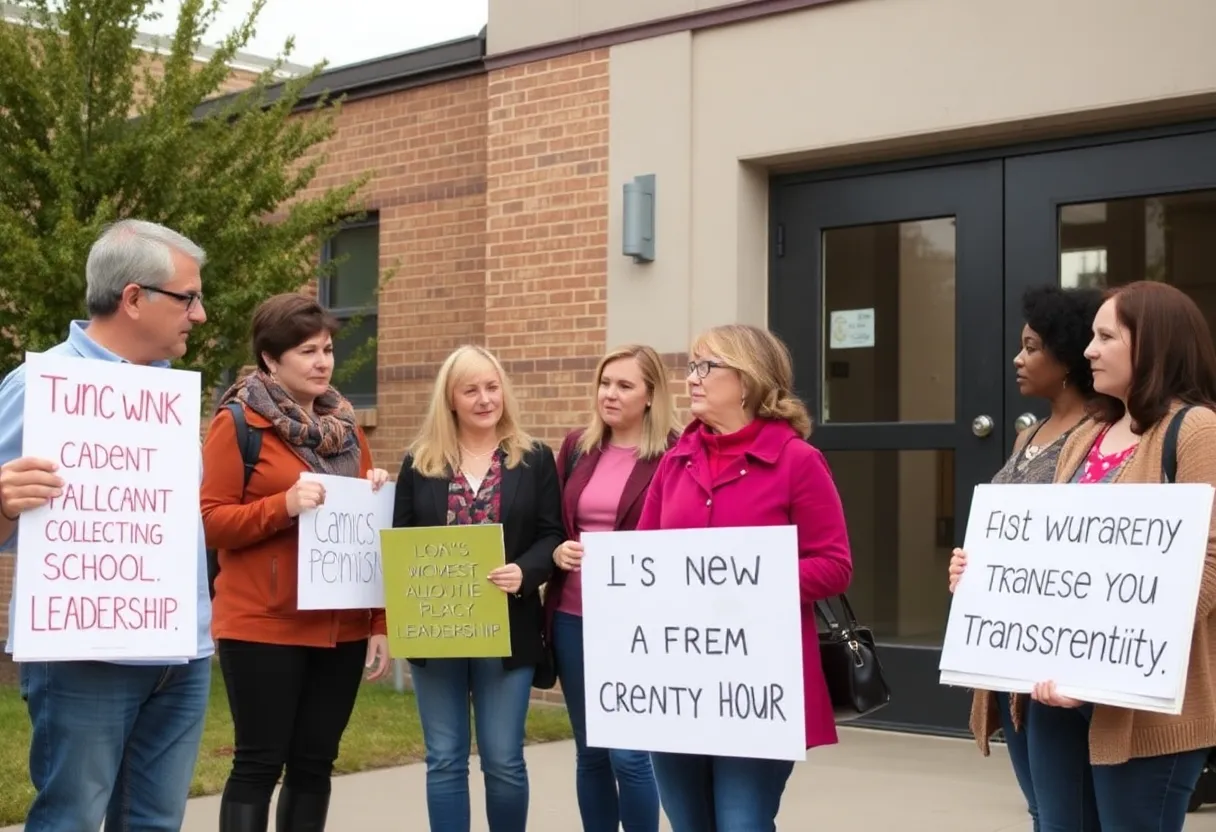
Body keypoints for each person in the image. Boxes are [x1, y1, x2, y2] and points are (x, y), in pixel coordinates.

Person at [951, 280, 1216, 830]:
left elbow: (1207, 569)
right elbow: (1052, 556)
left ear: (1153, 345)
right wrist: (985, 576)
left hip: (1140, 704)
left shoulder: (1196, 431)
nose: (1089, 350)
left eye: (1105, 336)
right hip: (1053, 693)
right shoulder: (1087, 434)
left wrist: (1097, 671)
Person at [0, 219, 213, 831]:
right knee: (73, 819)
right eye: (188, 297)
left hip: (181, 653)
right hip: (83, 657)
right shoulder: (41, 386)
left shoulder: (168, 393)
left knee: (154, 823)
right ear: (134, 298)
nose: (199, 315)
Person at [635, 323, 852, 832]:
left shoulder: (798, 461)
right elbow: (642, 559)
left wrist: (748, 583)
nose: (692, 378)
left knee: (742, 824)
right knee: (690, 824)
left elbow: (835, 565)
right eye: (691, 366)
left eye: (706, 367)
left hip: (757, 679)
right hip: (679, 677)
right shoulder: (675, 462)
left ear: (749, 380)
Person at [200, 293, 392, 831]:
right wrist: (282, 506)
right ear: (270, 359)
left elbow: (367, 542)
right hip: (264, 624)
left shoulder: (348, 430)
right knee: (259, 763)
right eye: (306, 351)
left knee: (314, 764)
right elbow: (211, 523)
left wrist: (378, 622)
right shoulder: (238, 424)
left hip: (341, 628)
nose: (323, 361)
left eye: (327, 349)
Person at [947, 284, 1103, 831]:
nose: (1019, 358)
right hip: (1009, 660)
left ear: (1067, 356)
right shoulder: (1028, 437)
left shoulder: (1099, 436)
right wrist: (969, 567)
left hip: (1057, 658)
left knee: (1066, 812)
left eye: (1033, 347)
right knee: (1040, 807)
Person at [391, 344, 564, 832]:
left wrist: (524, 572)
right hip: (437, 630)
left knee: (504, 759)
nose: (486, 399)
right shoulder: (419, 462)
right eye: (471, 390)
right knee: (444, 758)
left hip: (508, 626)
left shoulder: (533, 459)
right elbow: (401, 540)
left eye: (492, 387)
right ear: (450, 399)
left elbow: (553, 533)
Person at [544, 344, 680, 832]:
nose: (611, 394)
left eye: (625, 385)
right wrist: (558, 549)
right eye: (605, 383)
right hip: (573, 617)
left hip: (636, 624)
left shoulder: (675, 453)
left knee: (629, 754)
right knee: (591, 752)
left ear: (650, 395)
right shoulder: (578, 446)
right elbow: (552, 523)